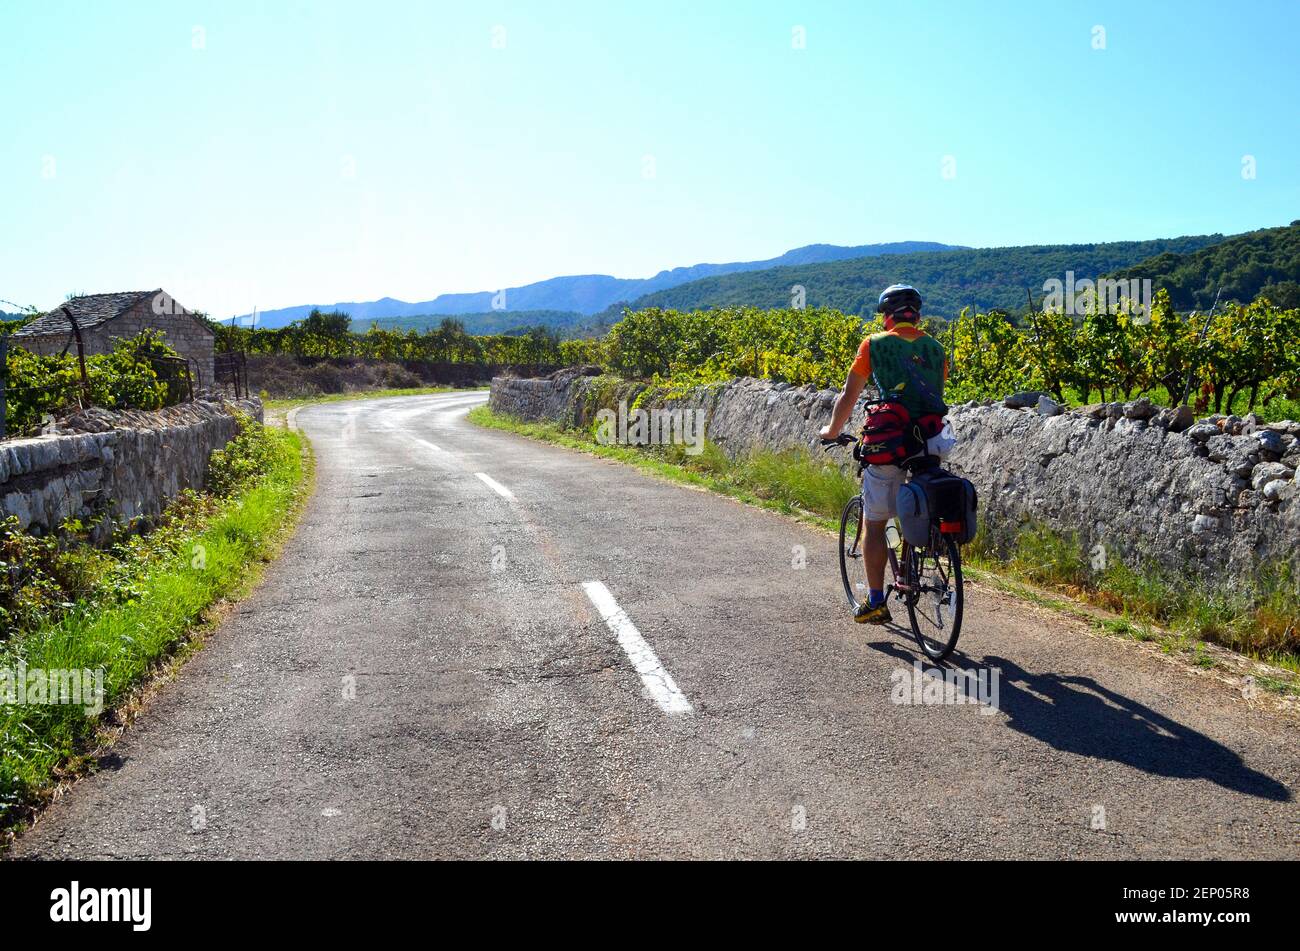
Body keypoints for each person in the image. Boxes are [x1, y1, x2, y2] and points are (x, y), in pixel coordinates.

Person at [819, 284, 952, 624]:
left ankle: (876, 601)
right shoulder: (937, 349)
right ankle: (926, 548)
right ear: (917, 316)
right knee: (919, 497)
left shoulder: (874, 344)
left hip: (891, 441)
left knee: (875, 524)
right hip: (934, 440)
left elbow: (849, 395)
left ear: (887, 316)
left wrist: (831, 431)